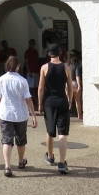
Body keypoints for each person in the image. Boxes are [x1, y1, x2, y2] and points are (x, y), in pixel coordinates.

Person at [0, 56, 38, 177]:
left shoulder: (2, 79)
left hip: (5, 114)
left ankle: (7, 167)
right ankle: (21, 161)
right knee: (21, 140)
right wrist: (34, 115)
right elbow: (28, 99)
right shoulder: (22, 81)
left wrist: (0, 111)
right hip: (20, 114)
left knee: (6, 141)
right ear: (18, 66)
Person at [38, 44, 74, 174]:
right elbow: (70, 88)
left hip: (49, 101)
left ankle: (50, 156)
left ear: (48, 53)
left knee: (50, 130)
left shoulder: (44, 67)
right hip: (62, 101)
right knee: (63, 133)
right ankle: (62, 162)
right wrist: (69, 100)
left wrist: (40, 103)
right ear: (60, 53)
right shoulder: (66, 67)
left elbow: (41, 87)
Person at [68, 50, 84, 121]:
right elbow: (77, 76)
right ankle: (79, 115)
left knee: (68, 100)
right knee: (78, 101)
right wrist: (79, 85)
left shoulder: (66, 65)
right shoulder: (77, 65)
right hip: (74, 83)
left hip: (67, 83)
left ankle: (66, 114)